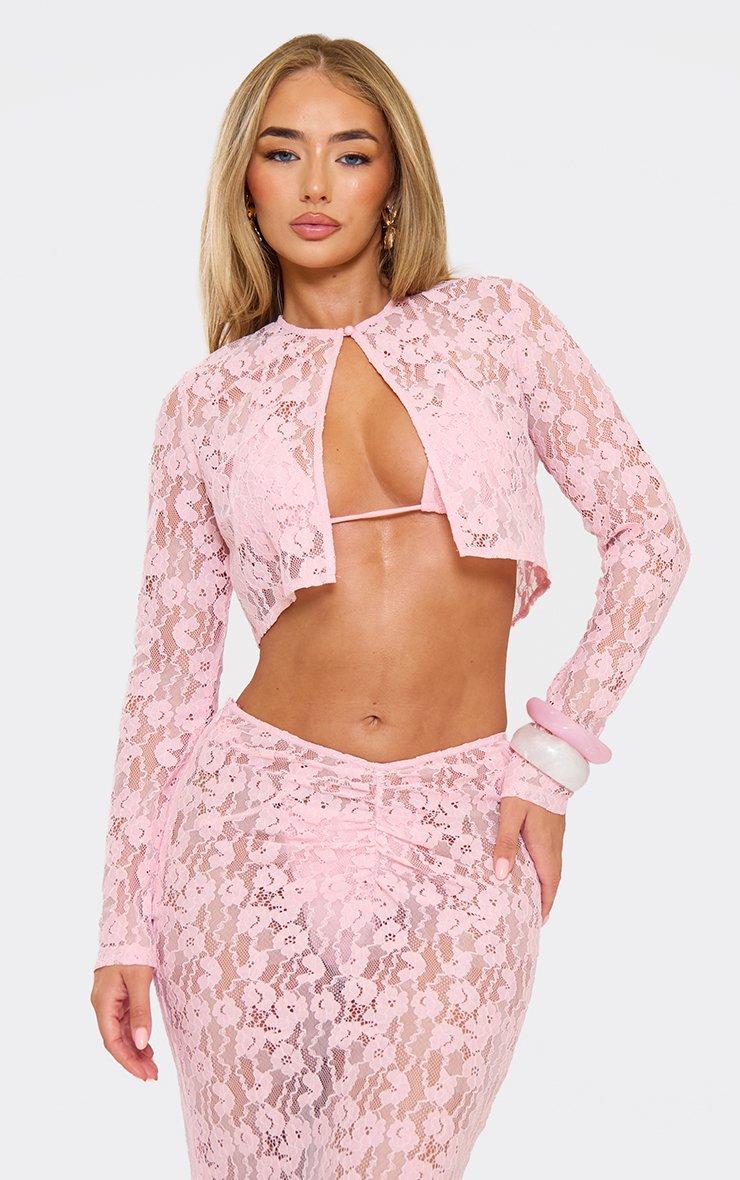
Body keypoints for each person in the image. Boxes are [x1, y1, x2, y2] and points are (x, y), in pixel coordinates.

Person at [90, 33, 690, 1180]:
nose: (315, 184)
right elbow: (166, 680)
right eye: (283, 153)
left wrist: (550, 758)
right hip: (245, 828)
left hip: (465, 827)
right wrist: (123, 921)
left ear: (392, 178)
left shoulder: (496, 325)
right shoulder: (205, 404)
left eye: (350, 154)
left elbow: (646, 536)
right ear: (244, 183)